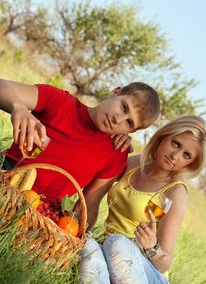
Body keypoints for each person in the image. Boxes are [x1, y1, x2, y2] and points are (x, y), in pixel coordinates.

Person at [79, 115, 206, 284]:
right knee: (88, 247)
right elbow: (95, 177)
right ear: (164, 137)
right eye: (175, 144)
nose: (175, 155)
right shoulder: (132, 164)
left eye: (186, 155)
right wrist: (115, 138)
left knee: (118, 243)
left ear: (191, 163)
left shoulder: (175, 191)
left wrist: (151, 246)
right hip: (109, 258)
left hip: (149, 282)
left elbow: (165, 262)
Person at [0, 78, 160, 228]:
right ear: (116, 92)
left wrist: (78, 234)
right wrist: (18, 107)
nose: (119, 119)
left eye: (129, 122)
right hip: (7, 176)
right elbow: (4, 86)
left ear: (131, 131)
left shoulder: (116, 153)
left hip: (41, 214)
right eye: (123, 107)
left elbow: (89, 205)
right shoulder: (61, 102)